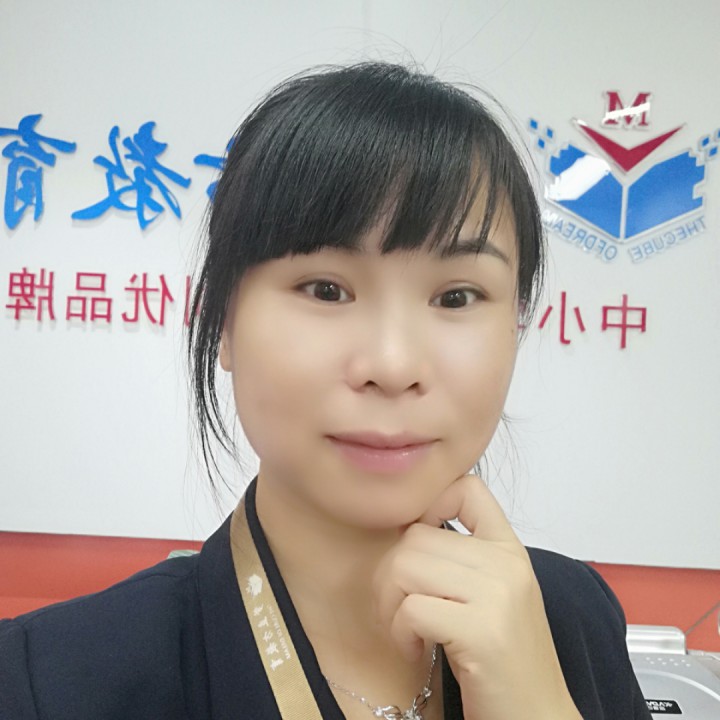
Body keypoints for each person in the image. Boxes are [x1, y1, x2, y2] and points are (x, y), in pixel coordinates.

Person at [0, 62, 651, 719]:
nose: (393, 365)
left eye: (456, 296)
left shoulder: (572, 619)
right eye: (326, 290)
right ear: (223, 320)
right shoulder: (50, 681)